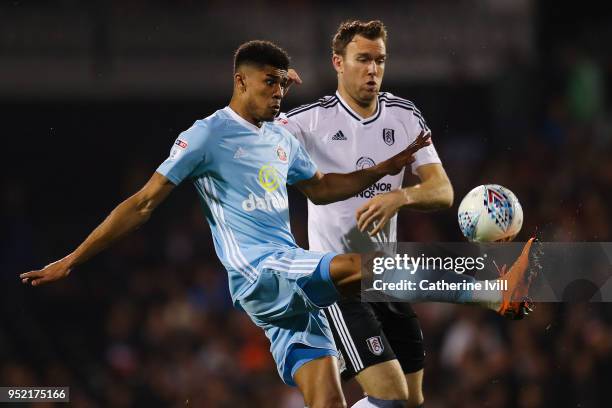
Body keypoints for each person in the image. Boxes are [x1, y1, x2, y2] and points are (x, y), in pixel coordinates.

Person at [20, 40, 533, 408]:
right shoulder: (206, 136)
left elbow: (322, 189)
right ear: (240, 80)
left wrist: (382, 170)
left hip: (287, 289)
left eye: (282, 84)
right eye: (269, 83)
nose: (278, 93)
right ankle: (487, 290)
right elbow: (143, 203)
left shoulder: (281, 138)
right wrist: (73, 259)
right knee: (363, 266)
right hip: (261, 270)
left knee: (375, 401)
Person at [279, 20, 533, 408]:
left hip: (387, 279)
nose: (372, 70)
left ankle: (492, 293)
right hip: (340, 285)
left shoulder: (404, 116)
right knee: (390, 395)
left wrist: (400, 198)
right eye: (362, 59)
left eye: (379, 60)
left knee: (411, 401)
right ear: (338, 63)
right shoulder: (307, 121)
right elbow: (256, 149)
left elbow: (442, 190)